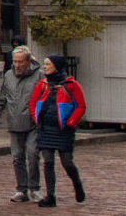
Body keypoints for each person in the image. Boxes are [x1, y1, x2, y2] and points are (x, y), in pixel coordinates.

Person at [27, 53, 86, 207]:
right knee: (48, 162)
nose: (45, 67)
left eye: (48, 64)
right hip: (46, 128)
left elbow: (81, 106)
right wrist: (36, 118)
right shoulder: (43, 84)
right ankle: (50, 196)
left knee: (67, 162)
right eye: (45, 64)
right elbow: (33, 103)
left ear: (56, 67)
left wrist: (71, 122)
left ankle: (77, 183)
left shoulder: (71, 84)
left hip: (63, 129)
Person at [0, 45, 44, 201]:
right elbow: (1, 99)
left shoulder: (39, 76)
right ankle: (21, 189)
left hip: (34, 123)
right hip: (14, 122)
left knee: (32, 154)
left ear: (28, 61)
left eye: (20, 62)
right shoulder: (8, 76)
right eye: (15, 61)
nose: (17, 65)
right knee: (17, 157)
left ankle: (35, 188)